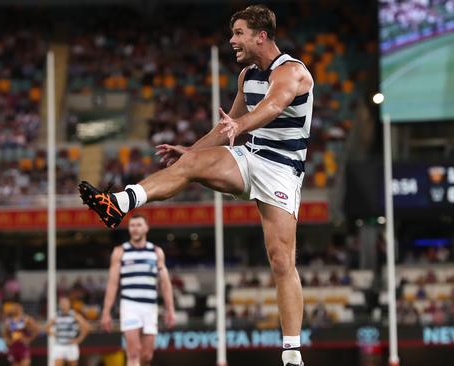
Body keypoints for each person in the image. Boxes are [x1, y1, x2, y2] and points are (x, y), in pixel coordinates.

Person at [79, 5, 311, 366]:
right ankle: (119, 203)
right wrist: (191, 150)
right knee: (190, 165)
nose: (232, 40)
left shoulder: (292, 71)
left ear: (260, 36)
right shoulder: (246, 75)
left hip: (282, 171)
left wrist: (241, 126)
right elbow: (227, 126)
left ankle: (292, 353)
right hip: (249, 158)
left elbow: (273, 105)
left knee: (281, 260)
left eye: (238, 33)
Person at [100, 214, 176, 366]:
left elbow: (165, 283)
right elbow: (113, 283)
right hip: (130, 305)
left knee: (147, 356)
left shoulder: (156, 252)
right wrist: (106, 312)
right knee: (133, 352)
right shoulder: (120, 251)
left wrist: (170, 309)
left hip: (150, 307)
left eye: (139, 225)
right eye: (132, 225)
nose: (135, 229)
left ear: (146, 227)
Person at [45, 296, 92, 366]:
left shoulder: (74, 315)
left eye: (65, 303)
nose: (63, 305)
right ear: (59, 305)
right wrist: (53, 334)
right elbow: (46, 327)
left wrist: (79, 338)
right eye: (62, 303)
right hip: (59, 345)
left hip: (71, 345)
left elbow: (87, 327)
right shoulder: (56, 315)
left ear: (69, 304)